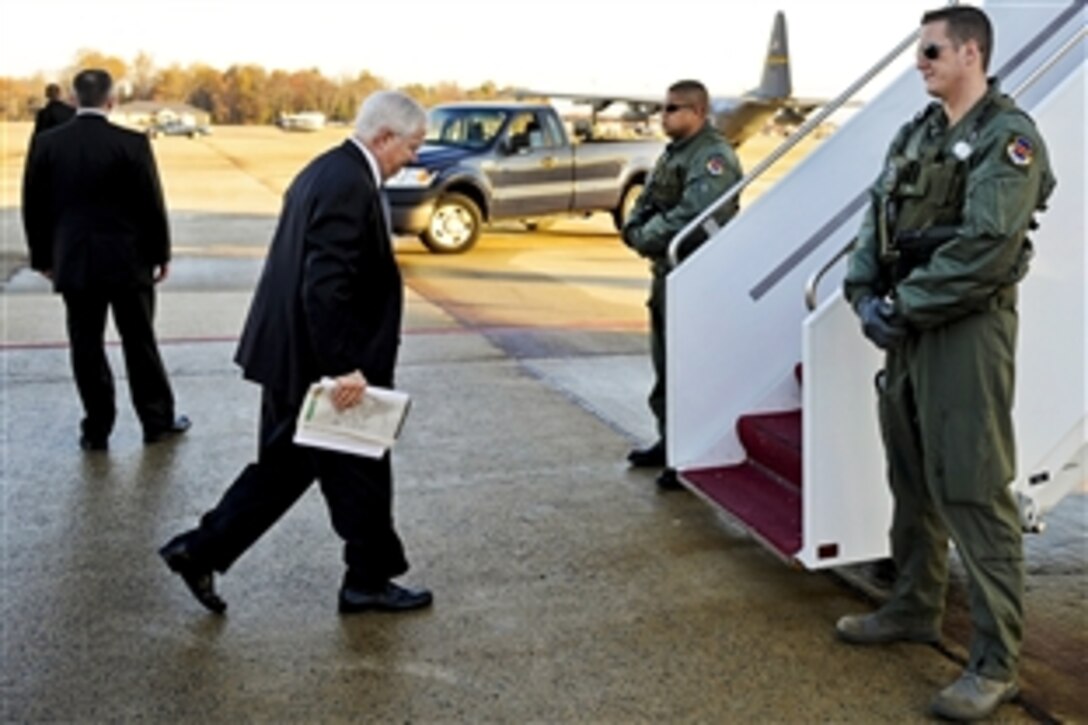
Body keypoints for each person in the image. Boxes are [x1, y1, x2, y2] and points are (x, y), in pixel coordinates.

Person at [837, 7, 1055, 721]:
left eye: (931, 49)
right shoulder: (916, 135)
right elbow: (875, 220)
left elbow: (988, 246)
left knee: (973, 491)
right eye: (917, 49)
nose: (920, 61)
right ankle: (913, 606)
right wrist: (865, 293)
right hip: (907, 330)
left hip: (964, 333)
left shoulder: (1007, 138)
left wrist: (906, 305)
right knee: (911, 475)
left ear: (971, 52)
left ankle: (995, 664)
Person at [158, 91, 431, 616]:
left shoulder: (325, 169)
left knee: (290, 469)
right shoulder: (349, 183)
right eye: (412, 146)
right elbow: (324, 285)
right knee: (358, 468)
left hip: (292, 354)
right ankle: (366, 581)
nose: (414, 157)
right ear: (384, 138)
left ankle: (202, 551)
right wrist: (342, 367)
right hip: (322, 364)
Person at [21, 69, 190, 452]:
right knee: (139, 341)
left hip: (74, 262)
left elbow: (34, 205)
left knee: (86, 345)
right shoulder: (131, 143)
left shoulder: (48, 143)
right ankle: (156, 420)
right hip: (128, 262)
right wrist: (161, 254)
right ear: (111, 100)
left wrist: (44, 258)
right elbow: (151, 203)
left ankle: (96, 429)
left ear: (73, 99)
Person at [622, 80, 742, 490]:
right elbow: (646, 202)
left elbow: (696, 216)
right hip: (667, 276)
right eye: (664, 107)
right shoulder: (675, 153)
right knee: (665, 366)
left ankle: (689, 453)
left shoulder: (712, 158)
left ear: (697, 112)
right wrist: (635, 229)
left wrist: (645, 236)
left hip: (696, 278)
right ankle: (669, 440)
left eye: (673, 109)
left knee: (689, 369)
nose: (664, 115)